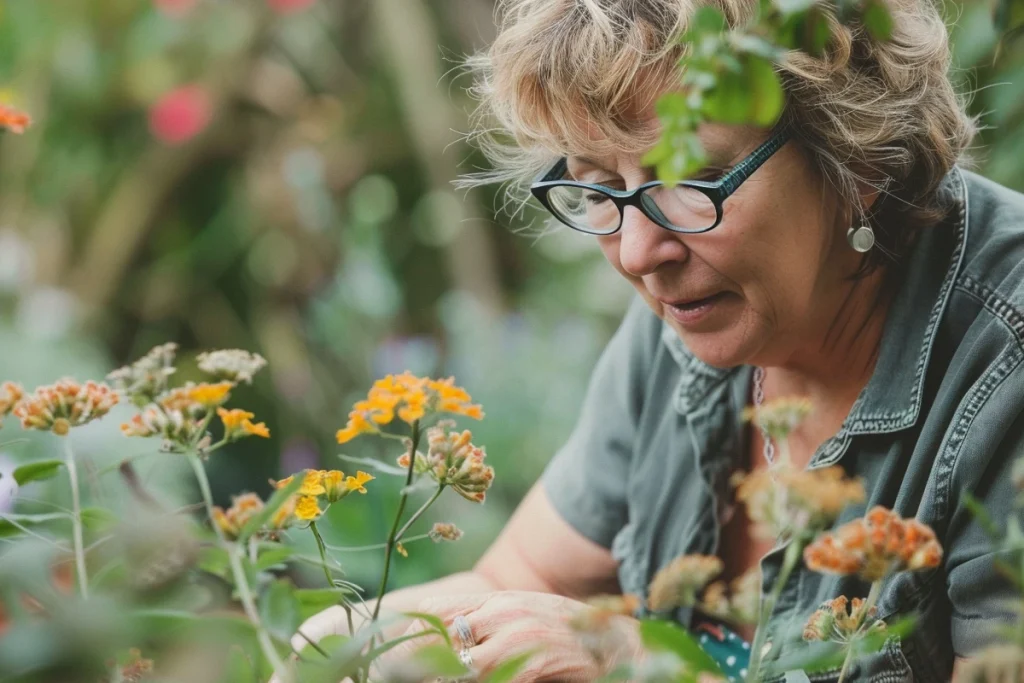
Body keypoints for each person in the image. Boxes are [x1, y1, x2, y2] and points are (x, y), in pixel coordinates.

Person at [294, 0, 1024, 679]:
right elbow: (520, 580)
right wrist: (368, 638)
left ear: (857, 159)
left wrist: (641, 663)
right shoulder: (695, 321)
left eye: (692, 180)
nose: (640, 253)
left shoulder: (1004, 361)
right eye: (598, 186)